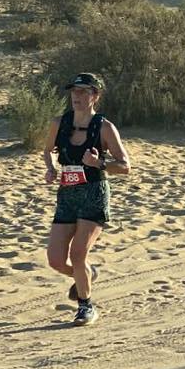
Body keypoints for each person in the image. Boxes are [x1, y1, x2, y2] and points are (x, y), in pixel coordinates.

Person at [44, 73, 131, 327]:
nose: (77, 96)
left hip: (94, 193)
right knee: (56, 260)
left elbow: (125, 166)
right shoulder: (59, 123)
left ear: (95, 96)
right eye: (74, 91)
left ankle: (86, 306)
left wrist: (99, 163)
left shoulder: (104, 127)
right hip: (67, 195)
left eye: (83, 91)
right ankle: (87, 275)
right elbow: (47, 150)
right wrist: (50, 168)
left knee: (78, 254)